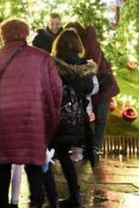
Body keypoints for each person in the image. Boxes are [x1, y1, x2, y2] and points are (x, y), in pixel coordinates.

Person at [0, 18, 62, 208]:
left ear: (3, 35)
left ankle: (1, 204)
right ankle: (36, 202)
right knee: (34, 164)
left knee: (3, 165)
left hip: (4, 118)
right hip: (34, 116)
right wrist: (50, 112)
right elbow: (57, 89)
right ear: (26, 33)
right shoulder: (43, 58)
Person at [48, 28, 98, 206]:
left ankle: (48, 195)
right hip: (76, 119)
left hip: (57, 118)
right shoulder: (84, 66)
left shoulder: (53, 64)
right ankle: (74, 194)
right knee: (62, 154)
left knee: (48, 154)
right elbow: (90, 89)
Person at [78, 23, 119, 155]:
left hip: (102, 87)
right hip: (92, 87)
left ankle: (95, 146)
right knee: (89, 117)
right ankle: (89, 145)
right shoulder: (84, 43)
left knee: (101, 117)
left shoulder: (91, 44)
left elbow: (94, 64)